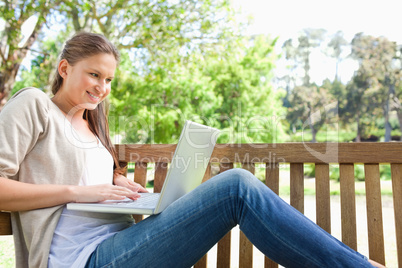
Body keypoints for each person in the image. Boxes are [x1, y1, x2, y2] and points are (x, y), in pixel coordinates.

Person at [0, 32, 385, 268]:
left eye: (110, 79)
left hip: (122, 243)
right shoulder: (34, 104)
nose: (103, 87)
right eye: (94, 74)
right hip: (84, 260)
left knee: (234, 187)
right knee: (236, 186)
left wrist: (122, 185)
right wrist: (81, 192)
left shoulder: (93, 125)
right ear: (65, 68)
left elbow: (88, 179)